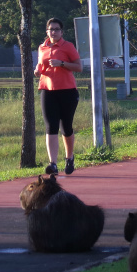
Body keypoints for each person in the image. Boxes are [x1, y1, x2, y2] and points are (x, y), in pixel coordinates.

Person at [34, 18, 83, 175]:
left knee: (66, 127)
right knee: (51, 126)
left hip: (67, 91)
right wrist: (37, 71)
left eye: (56, 29)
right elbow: (39, 66)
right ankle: (53, 163)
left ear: (62, 32)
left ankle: (69, 157)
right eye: (51, 29)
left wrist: (62, 63)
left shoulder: (67, 46)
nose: (53, 32)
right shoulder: (42, 47)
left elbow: (79, 67)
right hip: (47, 90)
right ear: (47, 31)